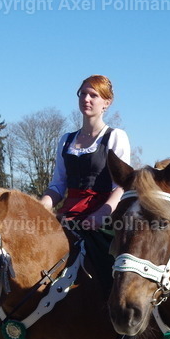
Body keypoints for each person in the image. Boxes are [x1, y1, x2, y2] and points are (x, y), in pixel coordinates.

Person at [40, 75, 130, 230]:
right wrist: (39, 208)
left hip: (103, 220)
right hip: (68, 215)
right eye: (83, 93)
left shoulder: (115, 137)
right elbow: (58, 185)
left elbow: (122, 186)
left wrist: (101, 214)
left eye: (93, 95)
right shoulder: (66, 140)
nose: (86, 99)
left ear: (106, 103)